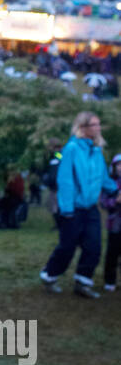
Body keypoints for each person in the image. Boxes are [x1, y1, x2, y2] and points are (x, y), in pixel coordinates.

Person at [40, 112, 118, 298]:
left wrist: (114, 190)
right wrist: (66, 209)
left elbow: (103, 177)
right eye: (94, 125)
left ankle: (83, 282)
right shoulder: (71, 148)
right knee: (67, 247)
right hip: (72, 208)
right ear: (83, 127)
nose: (98, 128)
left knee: (94, 247)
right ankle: (50, 275)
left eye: (99, 124)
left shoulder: (97, 150)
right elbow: (65, 180)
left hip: (90, 208)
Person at [101, 154, 121, 292]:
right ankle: (109, 280)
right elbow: (103, 202)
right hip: (115, 224)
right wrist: (115, 201)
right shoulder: (110, 182)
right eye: (118, 164)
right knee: (112, 253)